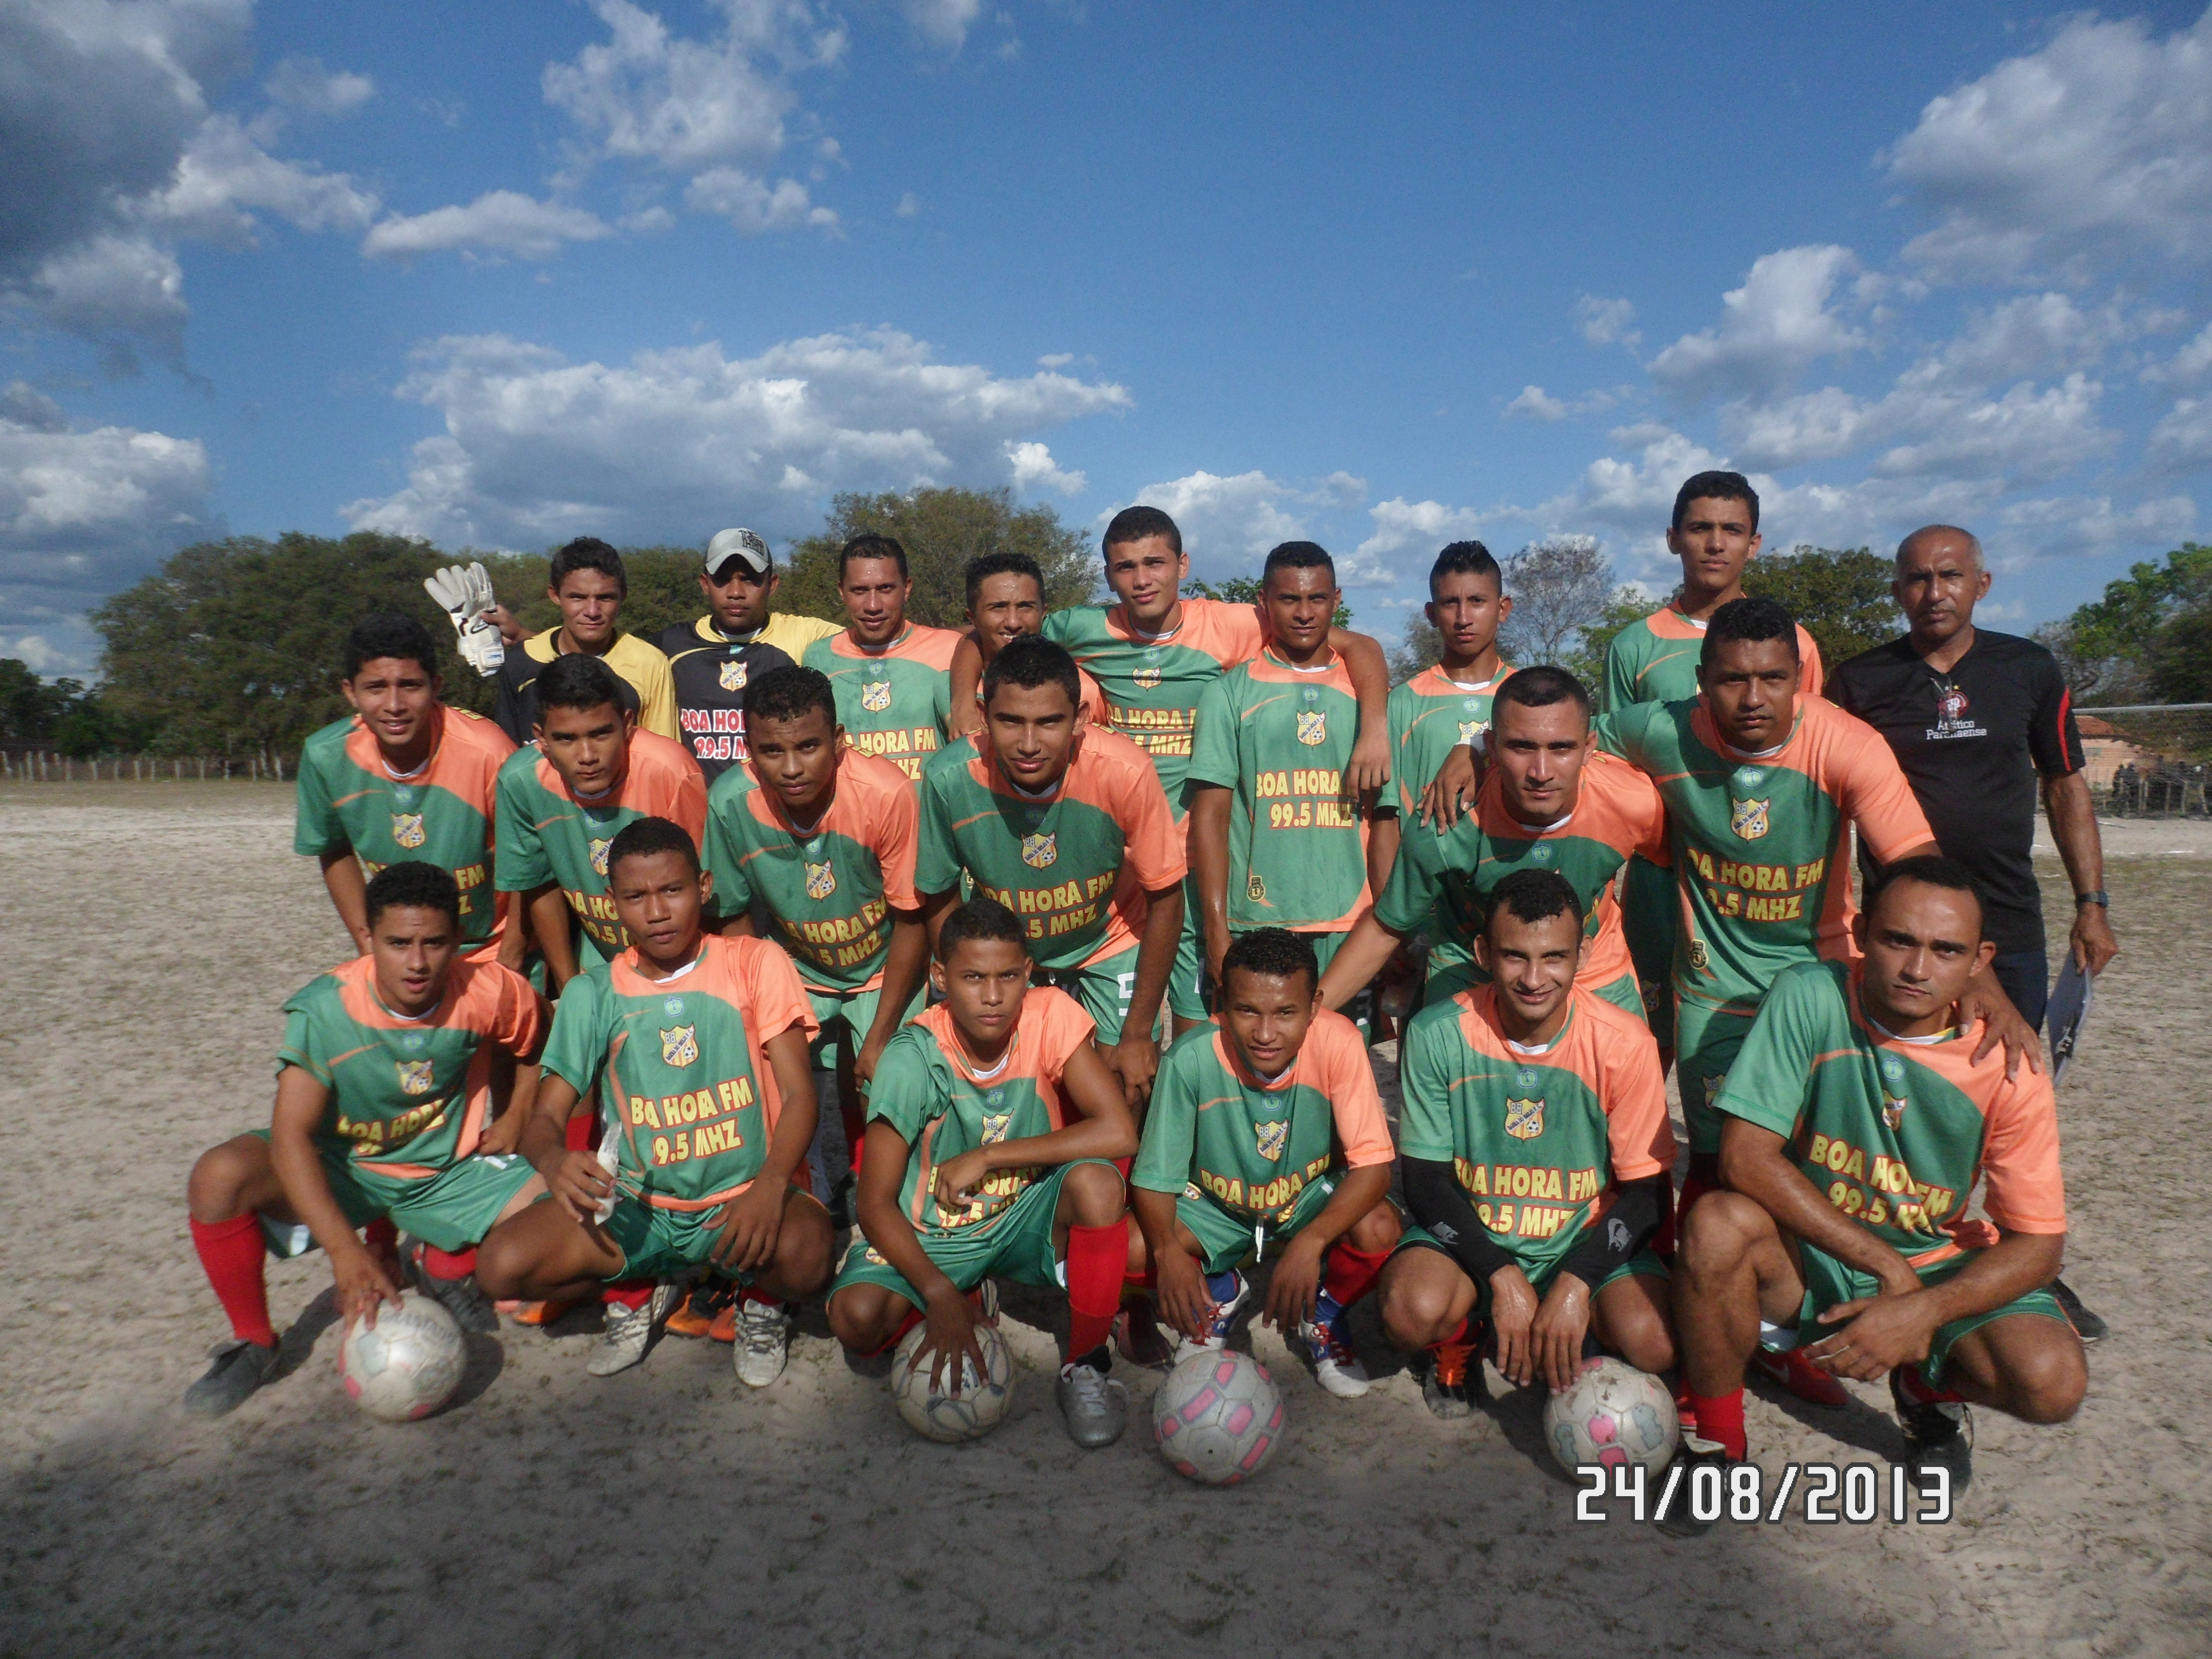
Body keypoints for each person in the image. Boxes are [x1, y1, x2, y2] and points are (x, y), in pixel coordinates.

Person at [1663, 857, 2085, 1533]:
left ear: (1980, 961)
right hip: (1812, 1248)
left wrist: (1921, 1309)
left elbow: (2040, 1245)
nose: (1917, 968)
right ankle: (1714, 1443)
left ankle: (1925, 1387)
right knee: (1715, 1224)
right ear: (1861, 933)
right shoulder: (1811, 996)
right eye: (1898, 940)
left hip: (1933, 1260)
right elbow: (1745, 1157)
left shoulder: (2010, 1066)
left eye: (1946, 950)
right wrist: (1884, 1267)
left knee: (2052, 1383)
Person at [1831, 524, 2119, 1341]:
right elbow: (1827, 798)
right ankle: (1894, 1257)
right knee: (1903, 1104)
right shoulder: (1861, 681)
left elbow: (2065, 785)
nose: (1935, 592)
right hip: (1901, 939)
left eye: (1951, 576)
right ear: (1897, 590)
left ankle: (2028, 1266)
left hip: (2008, 931)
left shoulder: (2028, 669)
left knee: (2009, 1097)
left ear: (1982, 585)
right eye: (1918, 579)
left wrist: (2092, 902)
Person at [181, 863, 548, 1416]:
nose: (417, 962)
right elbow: (290, 1137)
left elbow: (538, 1040)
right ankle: (254, 1342)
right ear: (368, 937)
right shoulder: (326, 1009)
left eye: (434, 943)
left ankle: (443, 1260)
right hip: (347, 1170)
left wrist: (518, 1113)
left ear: (458, 939)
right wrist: (344, 1251)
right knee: (218, 1176)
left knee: (568, 1221)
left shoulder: (488, 988)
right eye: (398, 943)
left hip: (444, 1171)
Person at [476, 818, 836, 1383]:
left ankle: (759, 1300)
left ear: (704, 887)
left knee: (810, 1256)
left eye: (673, 890)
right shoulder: (593, 992)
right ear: (612, 902)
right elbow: (543, 1116)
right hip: (641, 1206)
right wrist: (553, 1159)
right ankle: (643, 1282)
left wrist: (770, 1187)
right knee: (501, 1266)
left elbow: (798, 1094)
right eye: (636, 897)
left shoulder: (755, 962)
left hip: (740, 1198)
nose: (658, 911)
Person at [1037, 506, 1395, 1031]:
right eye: (1126, 567)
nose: (1142, 580)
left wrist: (1376, 726)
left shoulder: (1234, 624)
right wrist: (960, 693)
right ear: (1108, 575)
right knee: (1131, 1021)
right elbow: (993, 631)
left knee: (1205, 1018)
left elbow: (1354, 644)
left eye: (1155, 563)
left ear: (1182, 565)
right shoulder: (1080, 627)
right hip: (1120, 851)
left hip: (1195, 852)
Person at [825, 898, 1140, 1447]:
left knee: (1101, 1189)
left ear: (1028, 973)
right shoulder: (912, 1058)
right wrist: (939, 1293)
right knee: (855, 1319)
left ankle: (1086, 1365)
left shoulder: (1049, 1015)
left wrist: (992, 1156)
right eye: (973, 978)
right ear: (940, 978)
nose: (993, 996)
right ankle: (965, 1295)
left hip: (1022, 1216)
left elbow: (1119, 1131)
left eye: (1008, 977)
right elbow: (873, 1204)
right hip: (936, 1233)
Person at [1377, 870, 1676, 1419]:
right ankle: (1464, 1335)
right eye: (1515, 956)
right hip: (1475, 1238)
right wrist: (1502, 1274)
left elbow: (1647, 1194)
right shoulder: (1436, 1032)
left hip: (1579, 1240)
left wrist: (1577, 1283)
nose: (1535, 978)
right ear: (1483, 953)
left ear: (1583, 954)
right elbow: (1424, 1182)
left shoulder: (1625, 1041)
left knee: (1654, 1343)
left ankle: (1567, 1334)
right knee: (1409, 1313)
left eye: (1554, 957)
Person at [1601, 472, 1825, 1058]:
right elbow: (1615, 769)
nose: (1716, 543)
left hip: (1758, 886)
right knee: (1645, 1047)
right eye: (1701, 528)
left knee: (1763, 1051)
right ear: (1673, 538)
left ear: (1755, 543)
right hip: (1661, 881)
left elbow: (1806, 765)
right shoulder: (1634, 646)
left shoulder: (1795, 644)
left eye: (1733, 530)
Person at [1130, 928, 1402, 1398]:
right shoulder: (1190, 1058)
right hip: (1215, 1208)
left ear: (1314, 1007)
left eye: (1286, 1012)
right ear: (1222, 1003)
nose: (1265, 1033)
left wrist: (1312, 1241)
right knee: (1135, 1248)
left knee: (1379, 1228)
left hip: (1305, 1201)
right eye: (1247, 1010)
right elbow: (1154, 1179)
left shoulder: (1338, 1041)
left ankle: (1325, 1314)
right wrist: (1168, 1253)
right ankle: (1220, 1291)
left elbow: (1374, 1169)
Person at [917, 635, 1186, 1106]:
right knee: (1001, 1086)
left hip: (1109, 942)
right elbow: (939, 895)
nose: (1028, 744)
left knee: (1126, 1084)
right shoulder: (947, 777)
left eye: (1049, 722)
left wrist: (1139, 1031)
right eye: (1010, 721)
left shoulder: (1126, 770)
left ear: (1080, 719)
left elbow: (1166, 896)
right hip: (1008, 952)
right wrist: (971, 978)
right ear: (982, 716)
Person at [1317, 666, 1665, 1020]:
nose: (1541, 772)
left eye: (1561, 748)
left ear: (1589, 748)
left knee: (1626, 1048)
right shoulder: (1446, 820)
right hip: (1471, 967)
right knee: (1436, 1045)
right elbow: (1385, 928)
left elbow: (1679, 869)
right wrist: (1308, 1020)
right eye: (1522, 748)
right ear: (1493, 749)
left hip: (1594, 968)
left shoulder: (1633, 802)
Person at [703, 665, 927, 1213]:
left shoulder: (887, 793)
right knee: (766, 1077)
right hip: (796, 968)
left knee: (890, 1082)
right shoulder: (730, 801)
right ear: (749, 751)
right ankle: (810, 1188)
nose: (792, 767)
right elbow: (733, 917)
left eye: (808, 746)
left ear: (839, 740)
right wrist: (754, 1007)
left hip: (883, 966)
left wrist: (880, 1034)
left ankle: (889, 1199)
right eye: (771, 751)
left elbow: (912, 919)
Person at [1188, 542, 1386, 994]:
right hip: (1256, 919)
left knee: (1340, 1039)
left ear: (1336, 600)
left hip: (1351, 921)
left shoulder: (1367, 693)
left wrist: (1389, 922)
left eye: (1317, 598)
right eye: (1289, 599)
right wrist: (1217, 931)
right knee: (1257, 1038)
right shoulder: (1228, 693)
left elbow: (1384, 818)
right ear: (1264, 601)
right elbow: (1211, 816)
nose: (1304, 613)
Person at [294, 614, 516, 963]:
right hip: (399, 953)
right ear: (351, 692)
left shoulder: (490, 752)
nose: (394, 706)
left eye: (410, 686)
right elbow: (333, 848)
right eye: (376, 687)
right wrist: (368, 944)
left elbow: (529, 865)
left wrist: (511, 960)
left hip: (488, 948)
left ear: (436, 686)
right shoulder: (325, 756)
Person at [493, 653, 708, 992]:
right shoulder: (521, 781)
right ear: (541, 738)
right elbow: (539, 885)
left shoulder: (671, 773)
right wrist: (570, 988)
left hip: (684, 966)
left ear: (627, 724)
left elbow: (704, 892)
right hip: (599, 966)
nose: (587, 756)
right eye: (566, 739)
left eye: (601, 734)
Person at [657, 527, 831, 781]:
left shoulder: (806, 636)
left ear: (772, 585)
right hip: (696, 802)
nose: (736, 592)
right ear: (705, 584)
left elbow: (877, 641)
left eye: (750, 579)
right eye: (722, 579)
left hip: (774, 800)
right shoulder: (670, 646)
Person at [800, 534, 964, 781]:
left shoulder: (952, 650)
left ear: (907, 588)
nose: (873, 605)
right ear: (841, 592)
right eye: (859, 590)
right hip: (853, 807)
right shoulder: (818, 658)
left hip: (928, 806)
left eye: (885, 589)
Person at [494, 537, 679, 747]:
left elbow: (662, 756)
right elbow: (507, 755)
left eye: (605, 597)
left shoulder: (650, 663)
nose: (592, 611)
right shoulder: (521, 661)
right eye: (578, 597)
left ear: (623, 596)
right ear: (555, 595)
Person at [1386, 540, 1515, 817]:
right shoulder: (1403, 702)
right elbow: (1386, 815)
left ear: (1503, 609)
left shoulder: (1528, 698)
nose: (1463, 618)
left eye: (1477, 601)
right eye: (1450, 603)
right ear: (1432, 614)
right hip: (1425, 847)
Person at [946, 550, 1109, 736]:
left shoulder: (1084, 691)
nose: (1013, 622)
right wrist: (962, 705)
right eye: (998, 607)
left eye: (1025, 607)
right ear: (972, 617)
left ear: (1043, 612)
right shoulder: (945, 684)